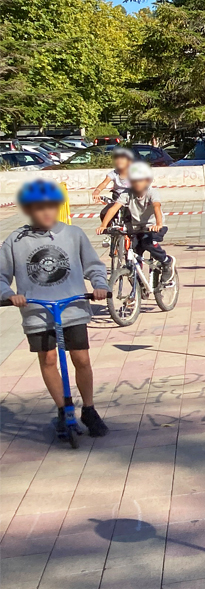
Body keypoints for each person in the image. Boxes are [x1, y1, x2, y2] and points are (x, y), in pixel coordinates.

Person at [1, 180, 110, 438]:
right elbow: (1, 276)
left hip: (71, 307)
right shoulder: (15, 241)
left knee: (81, 358)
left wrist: (99, 285)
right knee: (48, 359)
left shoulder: (73, 234)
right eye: (39, 209)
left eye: (51, 207)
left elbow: (94, 265)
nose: (47, 213)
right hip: (37, 312)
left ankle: (90, 409)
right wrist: (9, 294)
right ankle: (64, 409)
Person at [98, 162, 172, 273]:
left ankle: (166, 261)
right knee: (134, 250)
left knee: (148, 243)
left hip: (153, 227)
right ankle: (138, 281)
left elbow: (157, 207)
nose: (137, 184)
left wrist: (158, 224)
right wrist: (104, 225)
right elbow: (114, 209)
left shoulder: (152, 193)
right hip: (137, 228)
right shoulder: (127, 193)